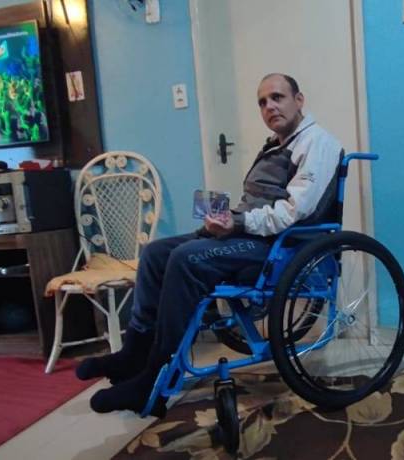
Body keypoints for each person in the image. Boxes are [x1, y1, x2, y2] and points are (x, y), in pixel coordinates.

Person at [77, 73, 345, 415]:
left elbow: (294, 211)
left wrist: (239, 222)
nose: (269, 106)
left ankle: (153, 378)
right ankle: (134, 353)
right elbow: (258, 202)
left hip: (279, 246)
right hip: (249, 232)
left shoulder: (317, 143)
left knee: (186, 259)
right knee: (156, 253)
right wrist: (225, 218)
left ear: (299, 100)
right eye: (262, 102)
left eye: (277, 97)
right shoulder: (276, 144)